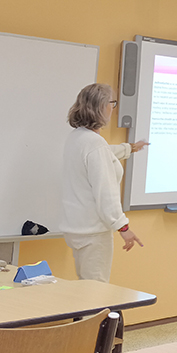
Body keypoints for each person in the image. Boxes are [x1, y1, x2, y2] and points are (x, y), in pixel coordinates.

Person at [61, 83, 148, 282]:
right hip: (93, 233)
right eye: (112, 103)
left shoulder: (77, 137)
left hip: (77, 229)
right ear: (101, 106)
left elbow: (103, 153)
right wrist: (123, 228)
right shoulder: (94, 144)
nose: (113, 108)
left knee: (86, 286)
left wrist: (130, 148)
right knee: (95, 290)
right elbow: (106, 192)